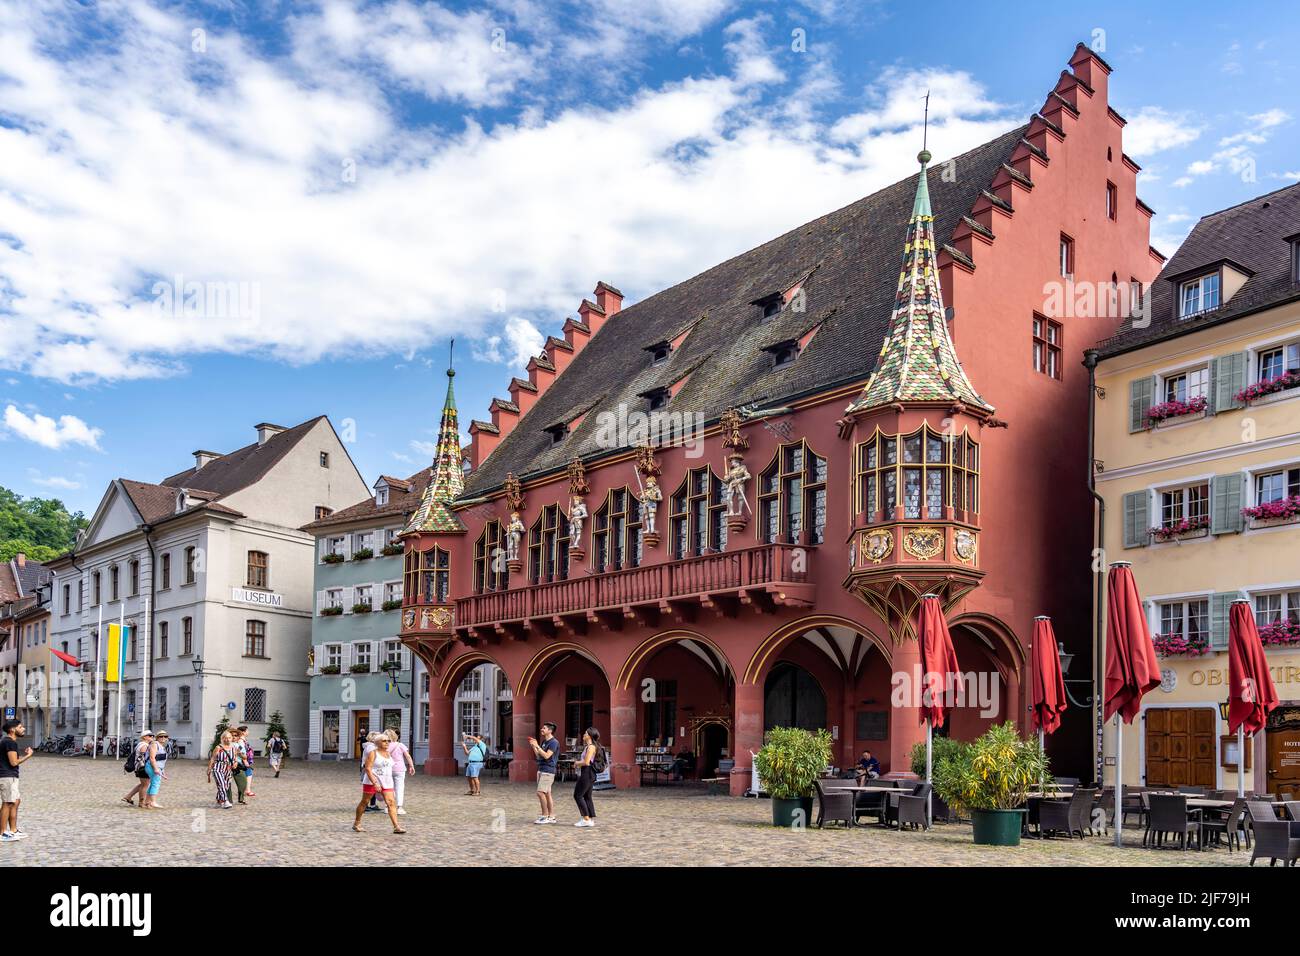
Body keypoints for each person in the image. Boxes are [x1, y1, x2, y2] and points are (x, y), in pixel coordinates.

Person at [353, 734, 406, 834]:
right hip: (372, 781)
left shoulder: (388, 753)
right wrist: (375, 782)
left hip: (387, 781)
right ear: (377, 743)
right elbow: (368, 768)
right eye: (384, 741)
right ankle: (357, 823)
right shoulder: (373, 753)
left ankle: (396, 826)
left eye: (388, 741)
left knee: (391, 802)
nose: (387, 742)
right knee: (365, 802)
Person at [1, 718, 33, 843]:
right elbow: (13, 762)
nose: (23, 728)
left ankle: (13, 830)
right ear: (12, 730)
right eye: (20, 727)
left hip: (11, 776)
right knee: (7, 803)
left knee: (16, 801)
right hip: (7, 776)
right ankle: (2, 832)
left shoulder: (8, 742)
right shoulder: (9, 742)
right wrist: (28, 756)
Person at [527, 722, 560, 824]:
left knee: (540, 793)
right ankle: (551, 816)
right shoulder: (544, 742)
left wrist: (538, 746)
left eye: (544, 728)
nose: (542, 729)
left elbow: (547, 756)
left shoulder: (554, 742)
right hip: (541, 769)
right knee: (547, 793)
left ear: (550, 731)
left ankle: (544, 816)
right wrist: (534, 746)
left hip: (548, 770)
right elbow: (539, 756)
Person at [572, 727, 601, 828]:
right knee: (587, 796)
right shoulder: (588, 746)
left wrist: (576, 763)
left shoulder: (591, 747)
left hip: (587, 773)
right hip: (588, 773)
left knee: (578, 795)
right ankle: (589, 818)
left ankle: (586, 818)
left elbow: (586, 762)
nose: (583, 735)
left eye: (585, 733)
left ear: (589, 735)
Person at [121, 731, 155, 808]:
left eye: (152, 736)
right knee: (145, 785)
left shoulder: (140, 744)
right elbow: (143, 757)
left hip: (139, 767)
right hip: (143, 767)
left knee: (142, 784)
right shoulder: (144, 745)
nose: (152, 737)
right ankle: (141, 803)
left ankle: (128, 796)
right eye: (150, 736)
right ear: (144, 737)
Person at [385, 729, 415, 815]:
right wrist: (411, 766)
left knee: (389, 788)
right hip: (400, 769)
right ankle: (399, 807)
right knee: (400, 787)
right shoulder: (400, 745)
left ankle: (388, 807)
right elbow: (408, 756)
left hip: (388, 768)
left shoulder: (384, 746)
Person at [207, 730, 236, 809]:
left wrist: (235, 763)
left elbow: (235, 758)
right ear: (222, 739)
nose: (227, 739)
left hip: (228, 769)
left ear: (231, 738)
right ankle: (225, 801)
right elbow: (213, 758)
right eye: (225, 738)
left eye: (229, 738)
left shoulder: (233, 748)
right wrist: (209, 769)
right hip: (218, 768)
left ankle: (219, 800)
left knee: (225, 786)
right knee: (222, 784)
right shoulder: (218, 747)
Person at [229, 729, 250, 805]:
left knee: (243, 782)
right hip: (228, 766)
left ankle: (241, 798)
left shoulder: (240, 746)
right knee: (227, 783)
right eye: (232, 735)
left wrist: (240, 754)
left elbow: (244, 757)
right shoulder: (226, 745)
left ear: (238, 737)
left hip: (238, 766)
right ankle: (228, 800)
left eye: (236, 735)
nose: (234, 737)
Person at [238, 726, 257, 796]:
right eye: (247, 731)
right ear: (243, 732)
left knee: (248, 774)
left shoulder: (243, 740)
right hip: (243, 761)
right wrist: (245, 761)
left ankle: (246, 790)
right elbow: (241, 751)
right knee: (248, 774)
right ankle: (247, 790)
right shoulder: (241, 741)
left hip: (246, 760)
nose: (248, 732)